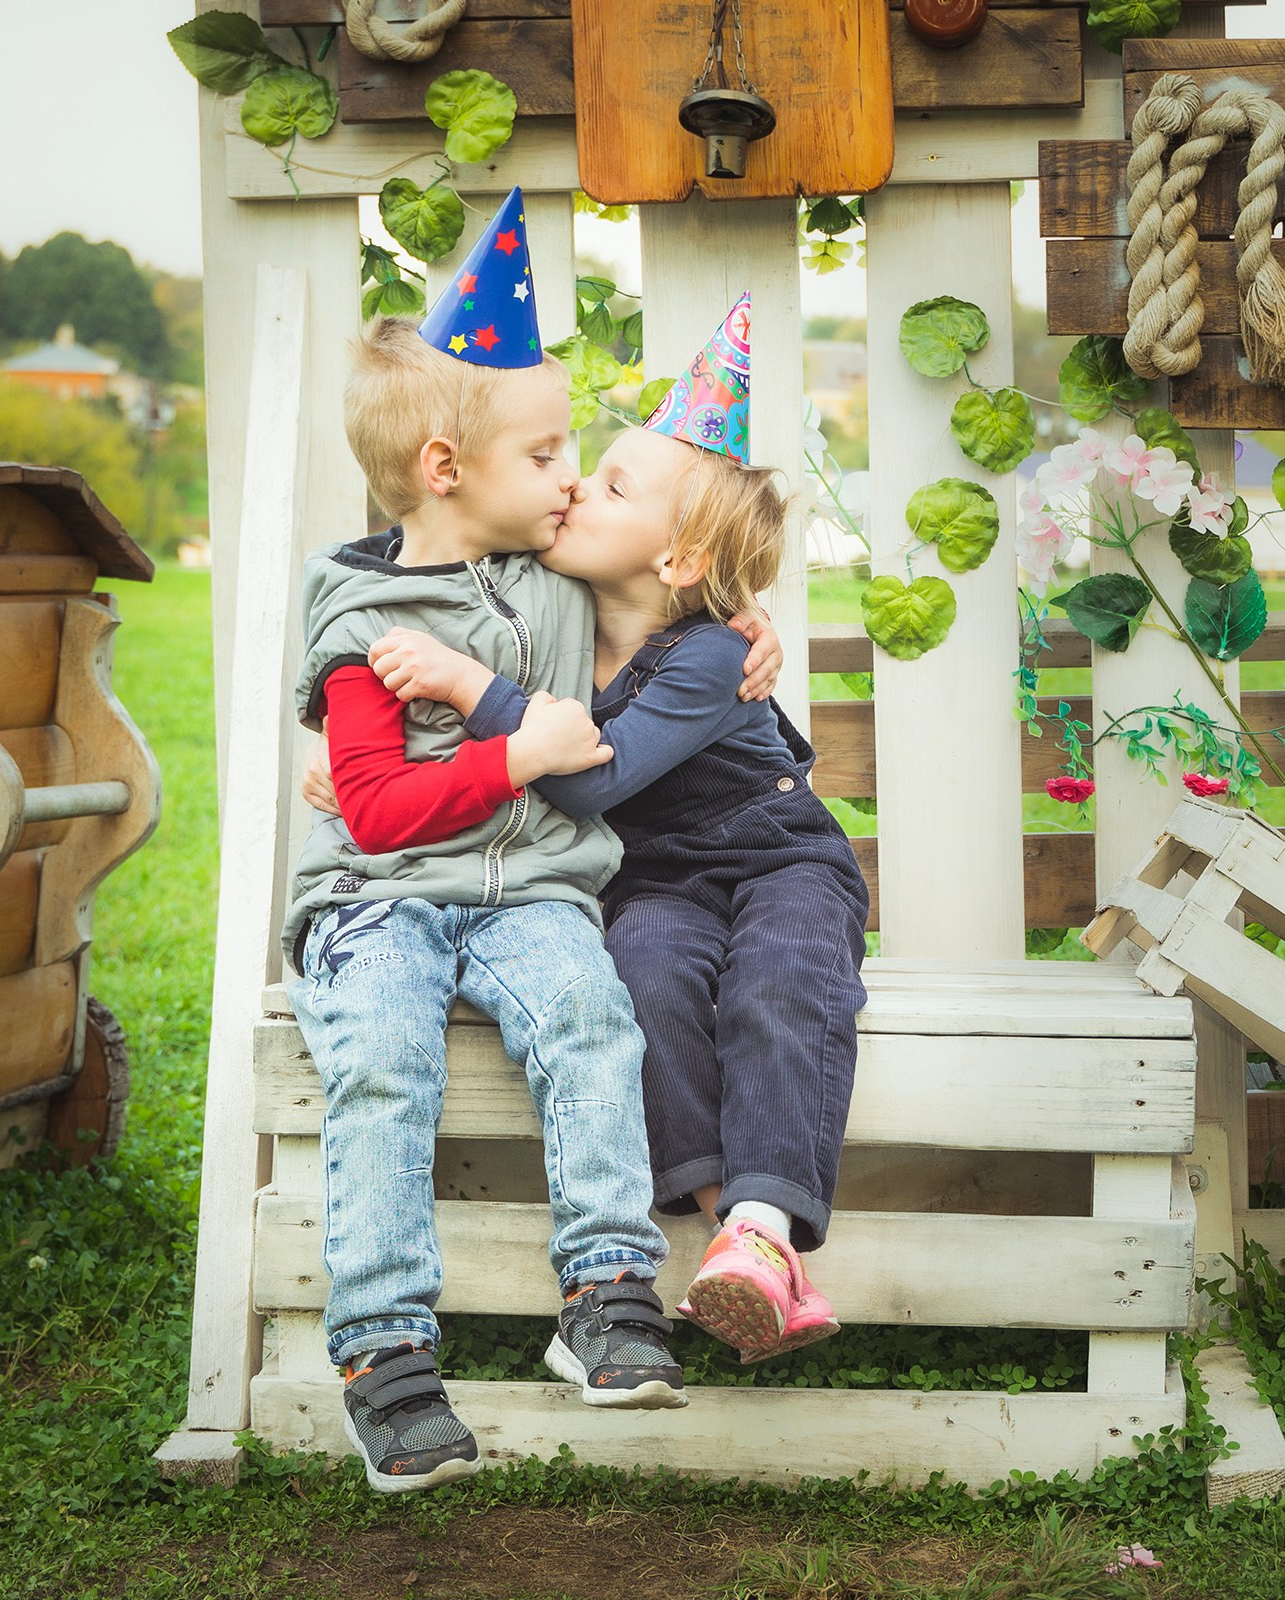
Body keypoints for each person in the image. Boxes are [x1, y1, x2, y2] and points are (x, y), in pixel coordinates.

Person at [282, 197, 780, 1494]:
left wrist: (754, 616)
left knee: (590, 1019)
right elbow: (381, 810)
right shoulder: (365, 618)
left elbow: (672, 569)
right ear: (446, 468)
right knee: (384, 1062)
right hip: (379, 897)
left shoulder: (555, 567)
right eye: (549, 453)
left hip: (530, 895)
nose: (571, 481)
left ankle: (610, 1298)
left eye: (575, 458)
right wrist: (519, 752)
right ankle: (384, 1356)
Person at [351, 295, 870, 1364]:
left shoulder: (715, 653)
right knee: (642, 970)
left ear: (676, 561)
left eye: (614, 484)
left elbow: (596, 779)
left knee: (780, 979)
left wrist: (476, 690)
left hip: (778, 859)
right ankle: (742, 1237)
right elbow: (417, 559)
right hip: (653, 879)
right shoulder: (549, 602)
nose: (578, 483)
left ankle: (765, 1228)